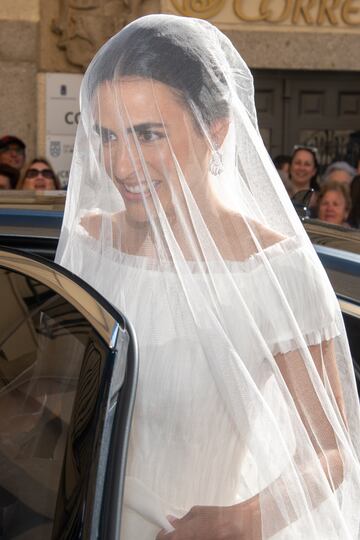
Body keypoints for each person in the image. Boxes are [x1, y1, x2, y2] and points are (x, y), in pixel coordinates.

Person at [56, 15, 360, 539]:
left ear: (215, 129)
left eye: (148, 135)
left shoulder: (275, 271)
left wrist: (242, 521)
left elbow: (331, 448)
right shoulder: (88, 243)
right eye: (107, 136)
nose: (122, 166)